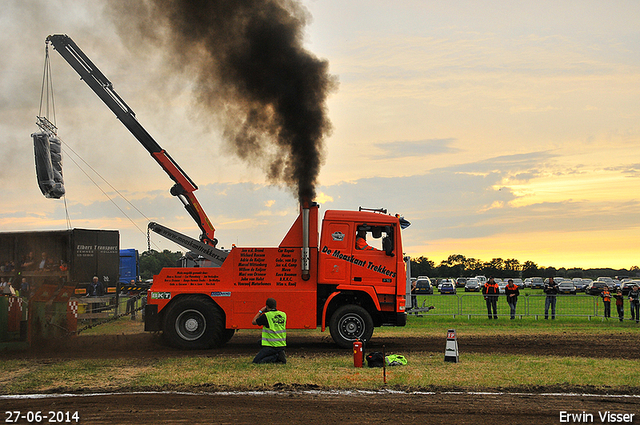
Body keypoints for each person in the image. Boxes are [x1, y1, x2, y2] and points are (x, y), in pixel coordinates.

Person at [252, 298, 287, 364]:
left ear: (267, 306)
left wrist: (260, 311)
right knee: (260, 342)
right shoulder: (283, 314)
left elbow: (253, 321)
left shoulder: (267, 316)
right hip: (281, 344)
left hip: (271, 346)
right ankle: (279, 353)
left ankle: (276, 357)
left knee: (256, 361)